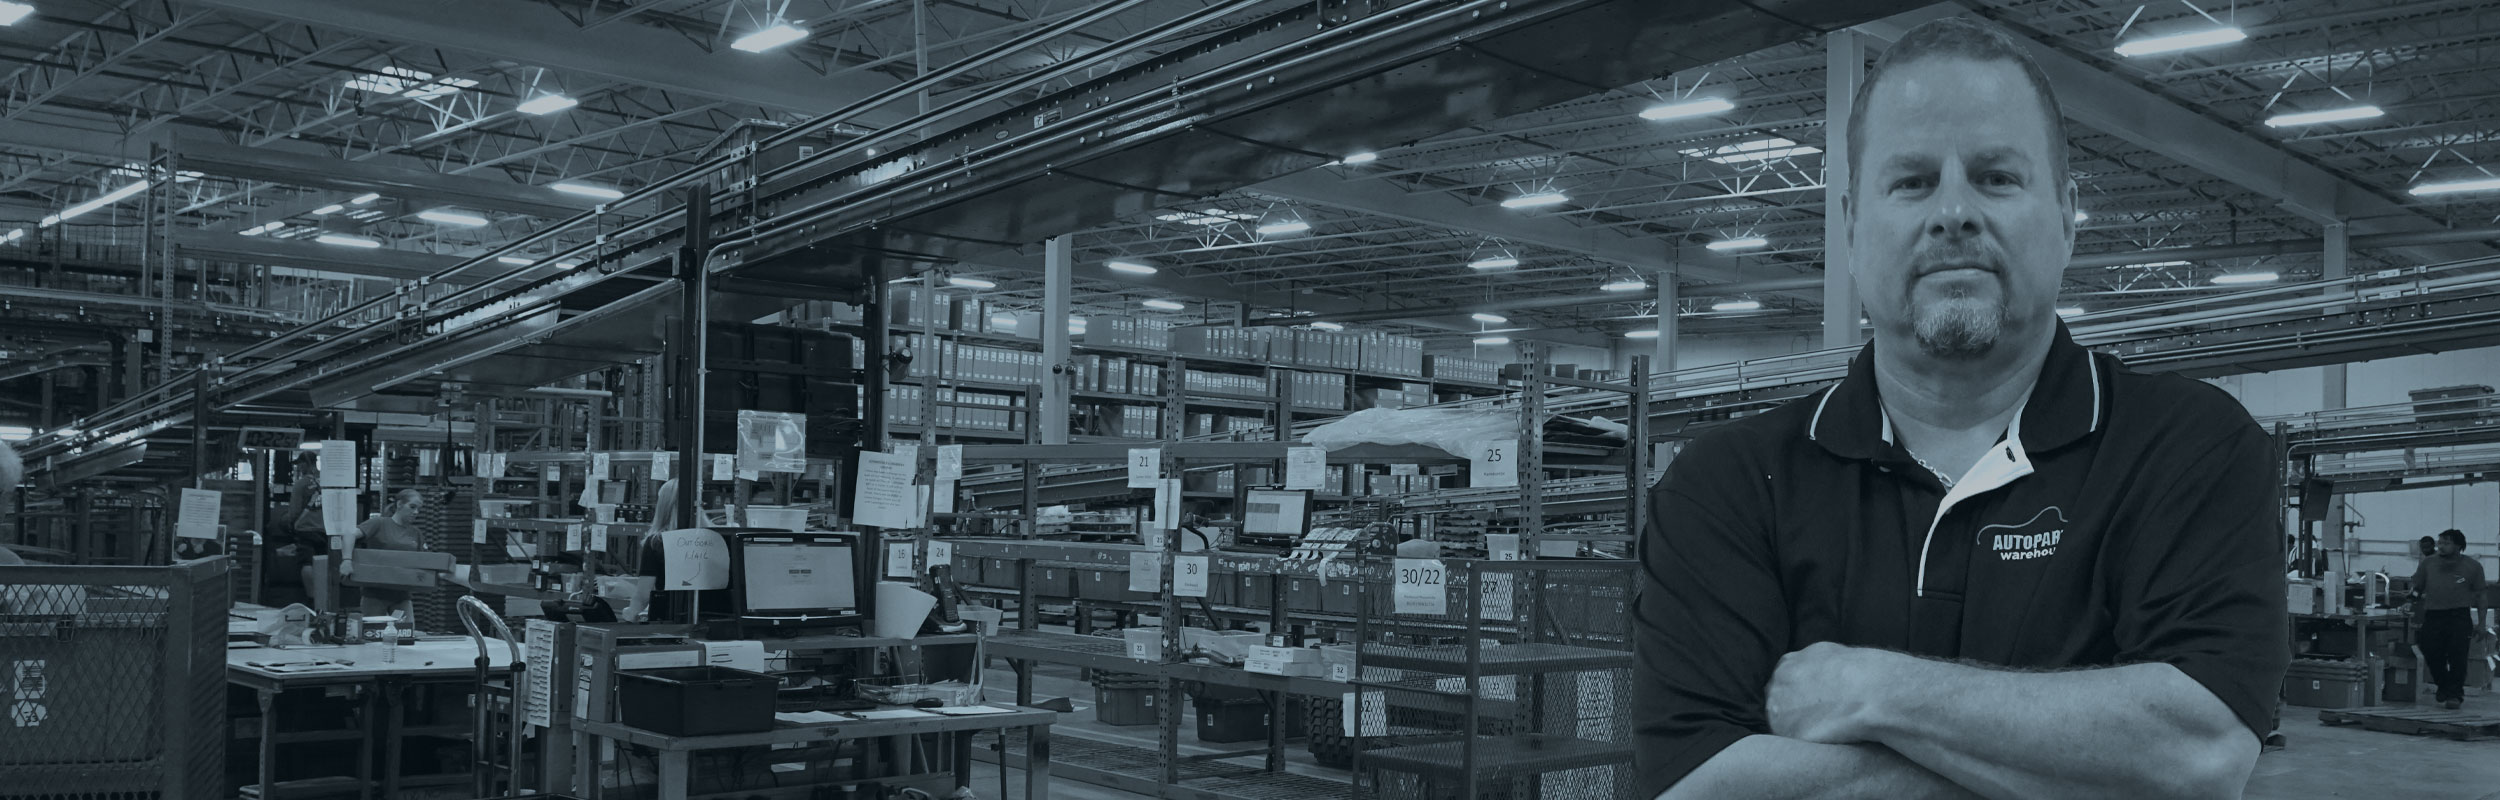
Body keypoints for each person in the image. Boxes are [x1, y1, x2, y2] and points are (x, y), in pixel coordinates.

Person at [1633, 18, 2285, 800]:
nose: (1954, 213)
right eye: (1911, 181)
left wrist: (1874, 690)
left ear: (2069, 215)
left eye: (1996, 177)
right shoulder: (1730, 484)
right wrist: (2076, 766)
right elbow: (1696, 785)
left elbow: (2199, 755)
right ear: (1850, 223)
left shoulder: (2191, 449)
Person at [2413, 529, 2488, 709]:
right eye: (2440, 542)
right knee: (2429, 650)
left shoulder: (2473, 567)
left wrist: (2482, 623)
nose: (2441, 546)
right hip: (2434, 615)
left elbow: (2481, 595)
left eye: (2446, 543)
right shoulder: (2428, 564)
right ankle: (2444, 684)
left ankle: (2455, 695)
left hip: (2459, 616)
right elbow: (2417, 587)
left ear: (2458, 546)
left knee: (2457, 657)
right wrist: (2413, 601)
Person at [343, 488, 429, 618]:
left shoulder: (416, 533)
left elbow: (422, 561)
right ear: (399, 504)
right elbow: (349, 535)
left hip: (402, 596)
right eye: (412, 507)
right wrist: (347, 560)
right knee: (374, 634)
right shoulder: (379, 523)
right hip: (374, 595)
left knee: (405, 634)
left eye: (418, 509)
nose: (416, 512)